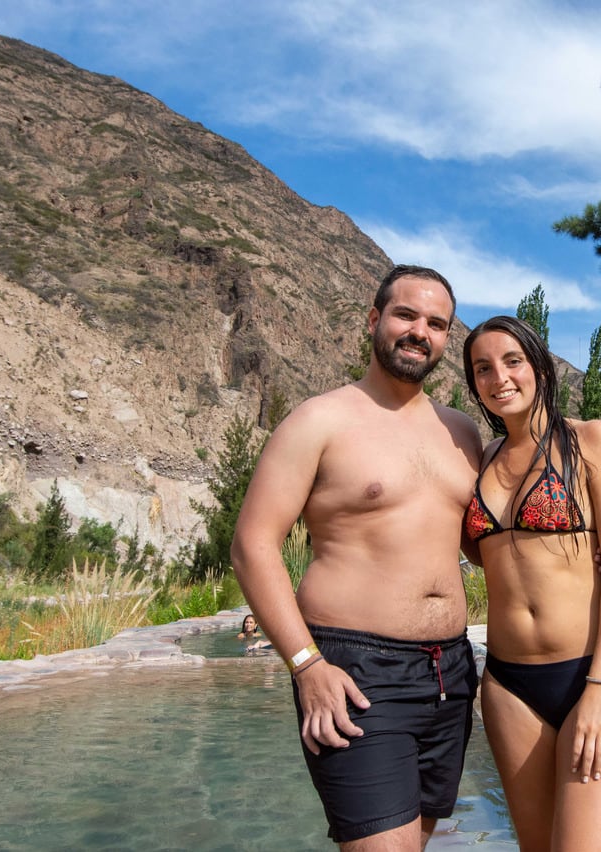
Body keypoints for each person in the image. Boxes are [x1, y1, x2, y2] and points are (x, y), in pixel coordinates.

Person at [230, 265, 483, 850]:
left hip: (449, 673)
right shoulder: (320, 421)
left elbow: (485, 545)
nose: (420, 331)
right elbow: (252, 545)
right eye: (406, 315)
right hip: (355, 672)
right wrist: (306, 665)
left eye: (437, 324)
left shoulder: (460, 433)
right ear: (375, 320)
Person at [461, 315, 601, 852]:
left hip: (593, 673)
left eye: (512, 361)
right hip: (508, 685)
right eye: (483, 368)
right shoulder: (482, 459)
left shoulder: (591, 441)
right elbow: (482, 551)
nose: (499, 377)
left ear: (539, 365)